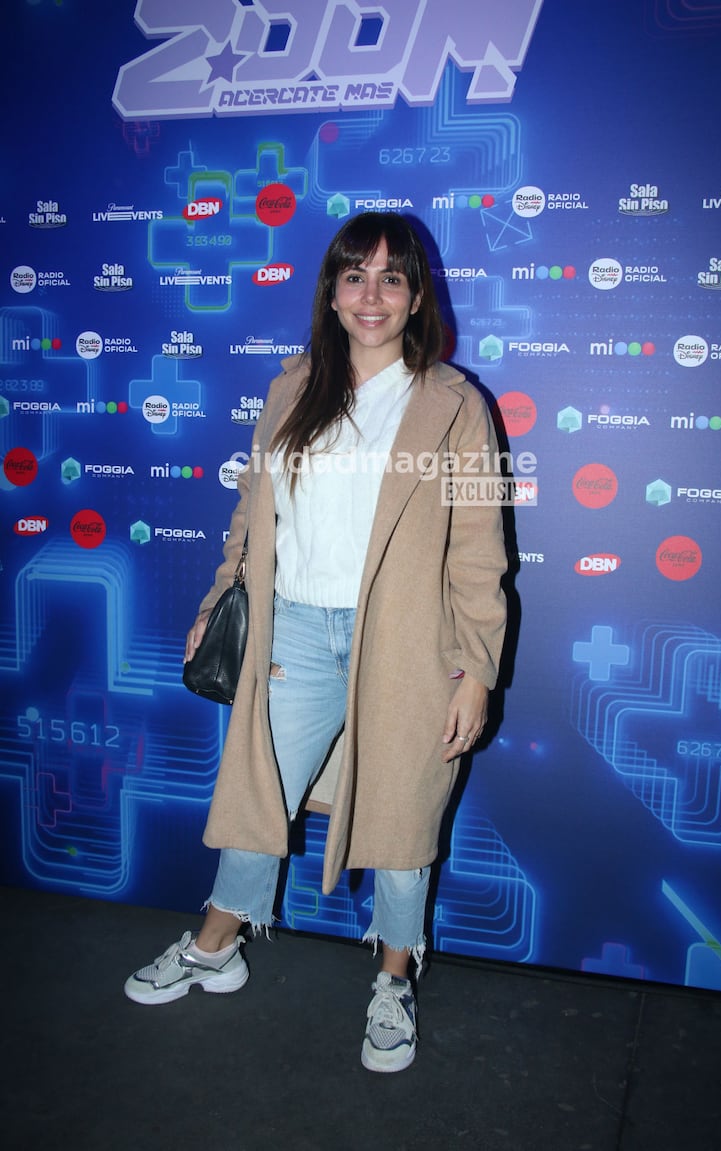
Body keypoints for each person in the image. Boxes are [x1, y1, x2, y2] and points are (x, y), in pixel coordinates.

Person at [124, 212, 508, 1073]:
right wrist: (224, 591)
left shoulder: (455, 406)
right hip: (293, 625)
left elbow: (482, 551)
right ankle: (215, 943)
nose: (371, 296)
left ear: (415, 299)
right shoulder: (291, 386)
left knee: (403, 819)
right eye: (354, 276)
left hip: (408, 645)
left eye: (391, 279)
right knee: (258, 796)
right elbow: (251, 513)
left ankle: (394, 979)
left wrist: (474, 668)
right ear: (330, 292)